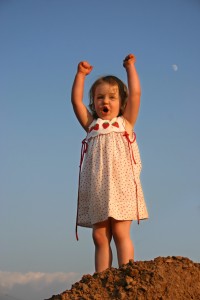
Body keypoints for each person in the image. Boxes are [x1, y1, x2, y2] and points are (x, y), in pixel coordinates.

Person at [71, 54, 148, 273]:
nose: (105, 101)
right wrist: (80, 76)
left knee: (121, 233)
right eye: (100, 97)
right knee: (99, 235)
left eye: (112, 97)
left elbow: (136, 93)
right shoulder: (91, 125)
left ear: (122, 103)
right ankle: (101, 279)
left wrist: (130, 68)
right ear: (94, 103)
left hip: (122, 187)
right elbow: (76, 101)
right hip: (98, 188)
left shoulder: (125, 123)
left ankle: (126, 274)